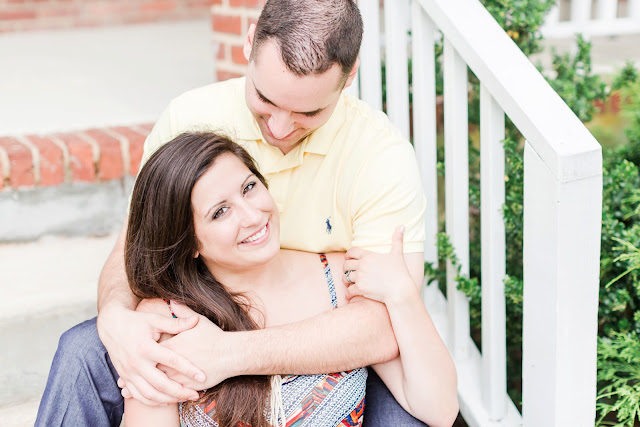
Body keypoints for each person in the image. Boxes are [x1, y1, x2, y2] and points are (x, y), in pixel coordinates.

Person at [35, 0, 439, 426]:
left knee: (410, 414)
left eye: (308, 111)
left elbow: (383, 324)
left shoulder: (381, 156)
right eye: (265, 99)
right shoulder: (190, 116)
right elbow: (136, 249)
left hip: (333, 341)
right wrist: (117, 315)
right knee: (84, 350)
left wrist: (230, 354)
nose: (280, 128)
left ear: (349, 75)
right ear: (249, 43)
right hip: (206, 312)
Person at [122, 131, 457, 427]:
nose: (253, 216)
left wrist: (404, 295)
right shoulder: (169, 320)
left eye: (249, 188)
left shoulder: (342, 279)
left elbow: (439, 410)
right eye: (220, 211)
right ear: (189, 241)